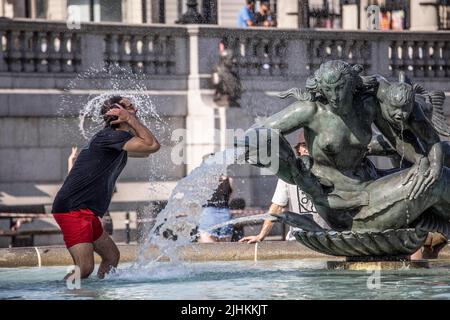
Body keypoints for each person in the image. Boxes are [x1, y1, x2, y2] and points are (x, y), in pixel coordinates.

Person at [242, 60, 450, 241]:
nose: (334, 96)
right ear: (320, 88)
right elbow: (257, 134)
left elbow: (396, 141)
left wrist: (421, 159)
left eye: (340, 88)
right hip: (345, 207)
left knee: (442, 165)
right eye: (328, 89)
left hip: (371, 185)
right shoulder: (309, 110)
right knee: (438, 181)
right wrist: (291, 168)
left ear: (352, 84)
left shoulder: (367, 105)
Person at [52, 96, 160, 279]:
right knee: (84, 268)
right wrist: (130, 119)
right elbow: (151, 145)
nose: (134, 107)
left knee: (111, 257)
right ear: (118, 113)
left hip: (86, 211)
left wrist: (130, 121)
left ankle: (100, 293)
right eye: (128, 106)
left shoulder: (117, 141)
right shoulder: (109, 137)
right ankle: (58, 294)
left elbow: (146, 152)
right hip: (73, 209)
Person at [240, 133, 328, 243]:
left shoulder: (328, 171)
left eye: (310, 146)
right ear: (299, 149)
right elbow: (277, 207)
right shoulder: (288, 175)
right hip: (298, 239)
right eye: (304, 145)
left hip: (326, 238)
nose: (306, 149)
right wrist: (261, 236)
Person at [198, 154, 234, 242]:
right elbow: (231, 197)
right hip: (225, 215)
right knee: (225, 251)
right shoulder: (229, 179)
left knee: (208, 252)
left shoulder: (202, 180)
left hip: (208, 214)